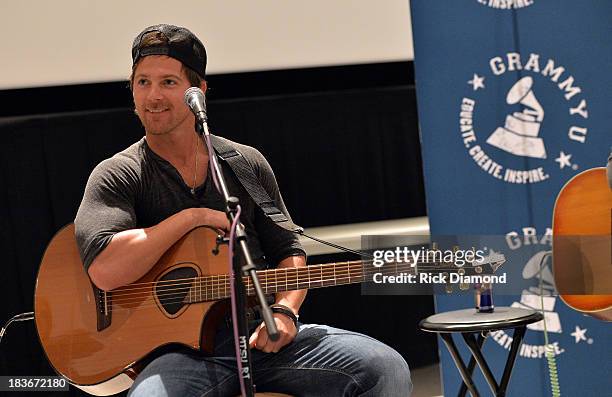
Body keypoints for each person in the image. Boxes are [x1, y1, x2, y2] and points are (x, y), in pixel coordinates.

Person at [74, 23, 412, 397]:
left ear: (197, 92)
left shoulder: (243, 163)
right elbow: (104, 269)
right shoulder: (118, 173)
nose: (153, 96)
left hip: (258, 336)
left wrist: (285, 312)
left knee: (383, 368)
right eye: (142, 82)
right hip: (181, 356)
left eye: (168, 82)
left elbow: (289, 251)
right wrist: (192, 218)